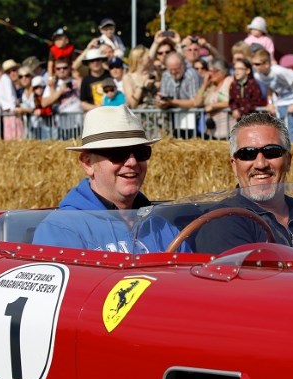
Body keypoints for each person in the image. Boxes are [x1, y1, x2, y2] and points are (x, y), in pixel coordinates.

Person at [32, 105, 188, 253]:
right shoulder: (60, 230)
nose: (132, 162)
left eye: (141, 152)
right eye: (118, 153)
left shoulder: (161, 226)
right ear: (88, 163)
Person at [195, 112, 293, 254]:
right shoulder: (223, 220)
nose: (261, 164)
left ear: (288, 161)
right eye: (247, 154)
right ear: (234, 165)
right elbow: (243, 282)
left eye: (272, 152)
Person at [252, 48, 293, 142]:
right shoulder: (258, 75)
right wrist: (270, 102)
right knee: (281, 128)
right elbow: (269, 86)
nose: (254, 67)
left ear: (266, 64)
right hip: (281, 101)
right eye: (253, 64)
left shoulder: (279, 71)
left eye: (257, 64)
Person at [157, 51, 202, 138]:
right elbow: (164, 98)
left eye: (176, 69)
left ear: (183, 65)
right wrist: (160, 102)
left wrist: (172, 102)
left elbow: (195, 102)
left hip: (191, 119)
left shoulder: (192, 75)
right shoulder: (166, 75)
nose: (173, 72)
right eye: (170, 69)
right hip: (171, 119)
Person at [41, 57, 82, 139]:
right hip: (61, 126)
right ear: (55, 70)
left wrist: (78, 78)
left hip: (79, 124)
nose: (62, 70)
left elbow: (85, 95)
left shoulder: (76, 81)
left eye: (65, 68)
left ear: (69, 68)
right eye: (58, 68)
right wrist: (59, 91)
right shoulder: (53, 84)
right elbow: (44, 103)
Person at [200, 58, 233, 139]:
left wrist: (214, 106)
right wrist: (204, 85)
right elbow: (196, 102)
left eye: (213, 71)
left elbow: (232, 101)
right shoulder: (211, 85)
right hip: (211, 131)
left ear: (223, 72)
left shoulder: (229, 81)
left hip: (227, 130)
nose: (210, 74)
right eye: (209, 71)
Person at [122, 45, 157, 109]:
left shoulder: (153, 74)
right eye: (148, 57)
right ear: (139, 59)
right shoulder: (128, 78)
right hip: (139, 117)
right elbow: (132, 104)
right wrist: (141, 86)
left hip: (157, 116)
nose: (150, 59)